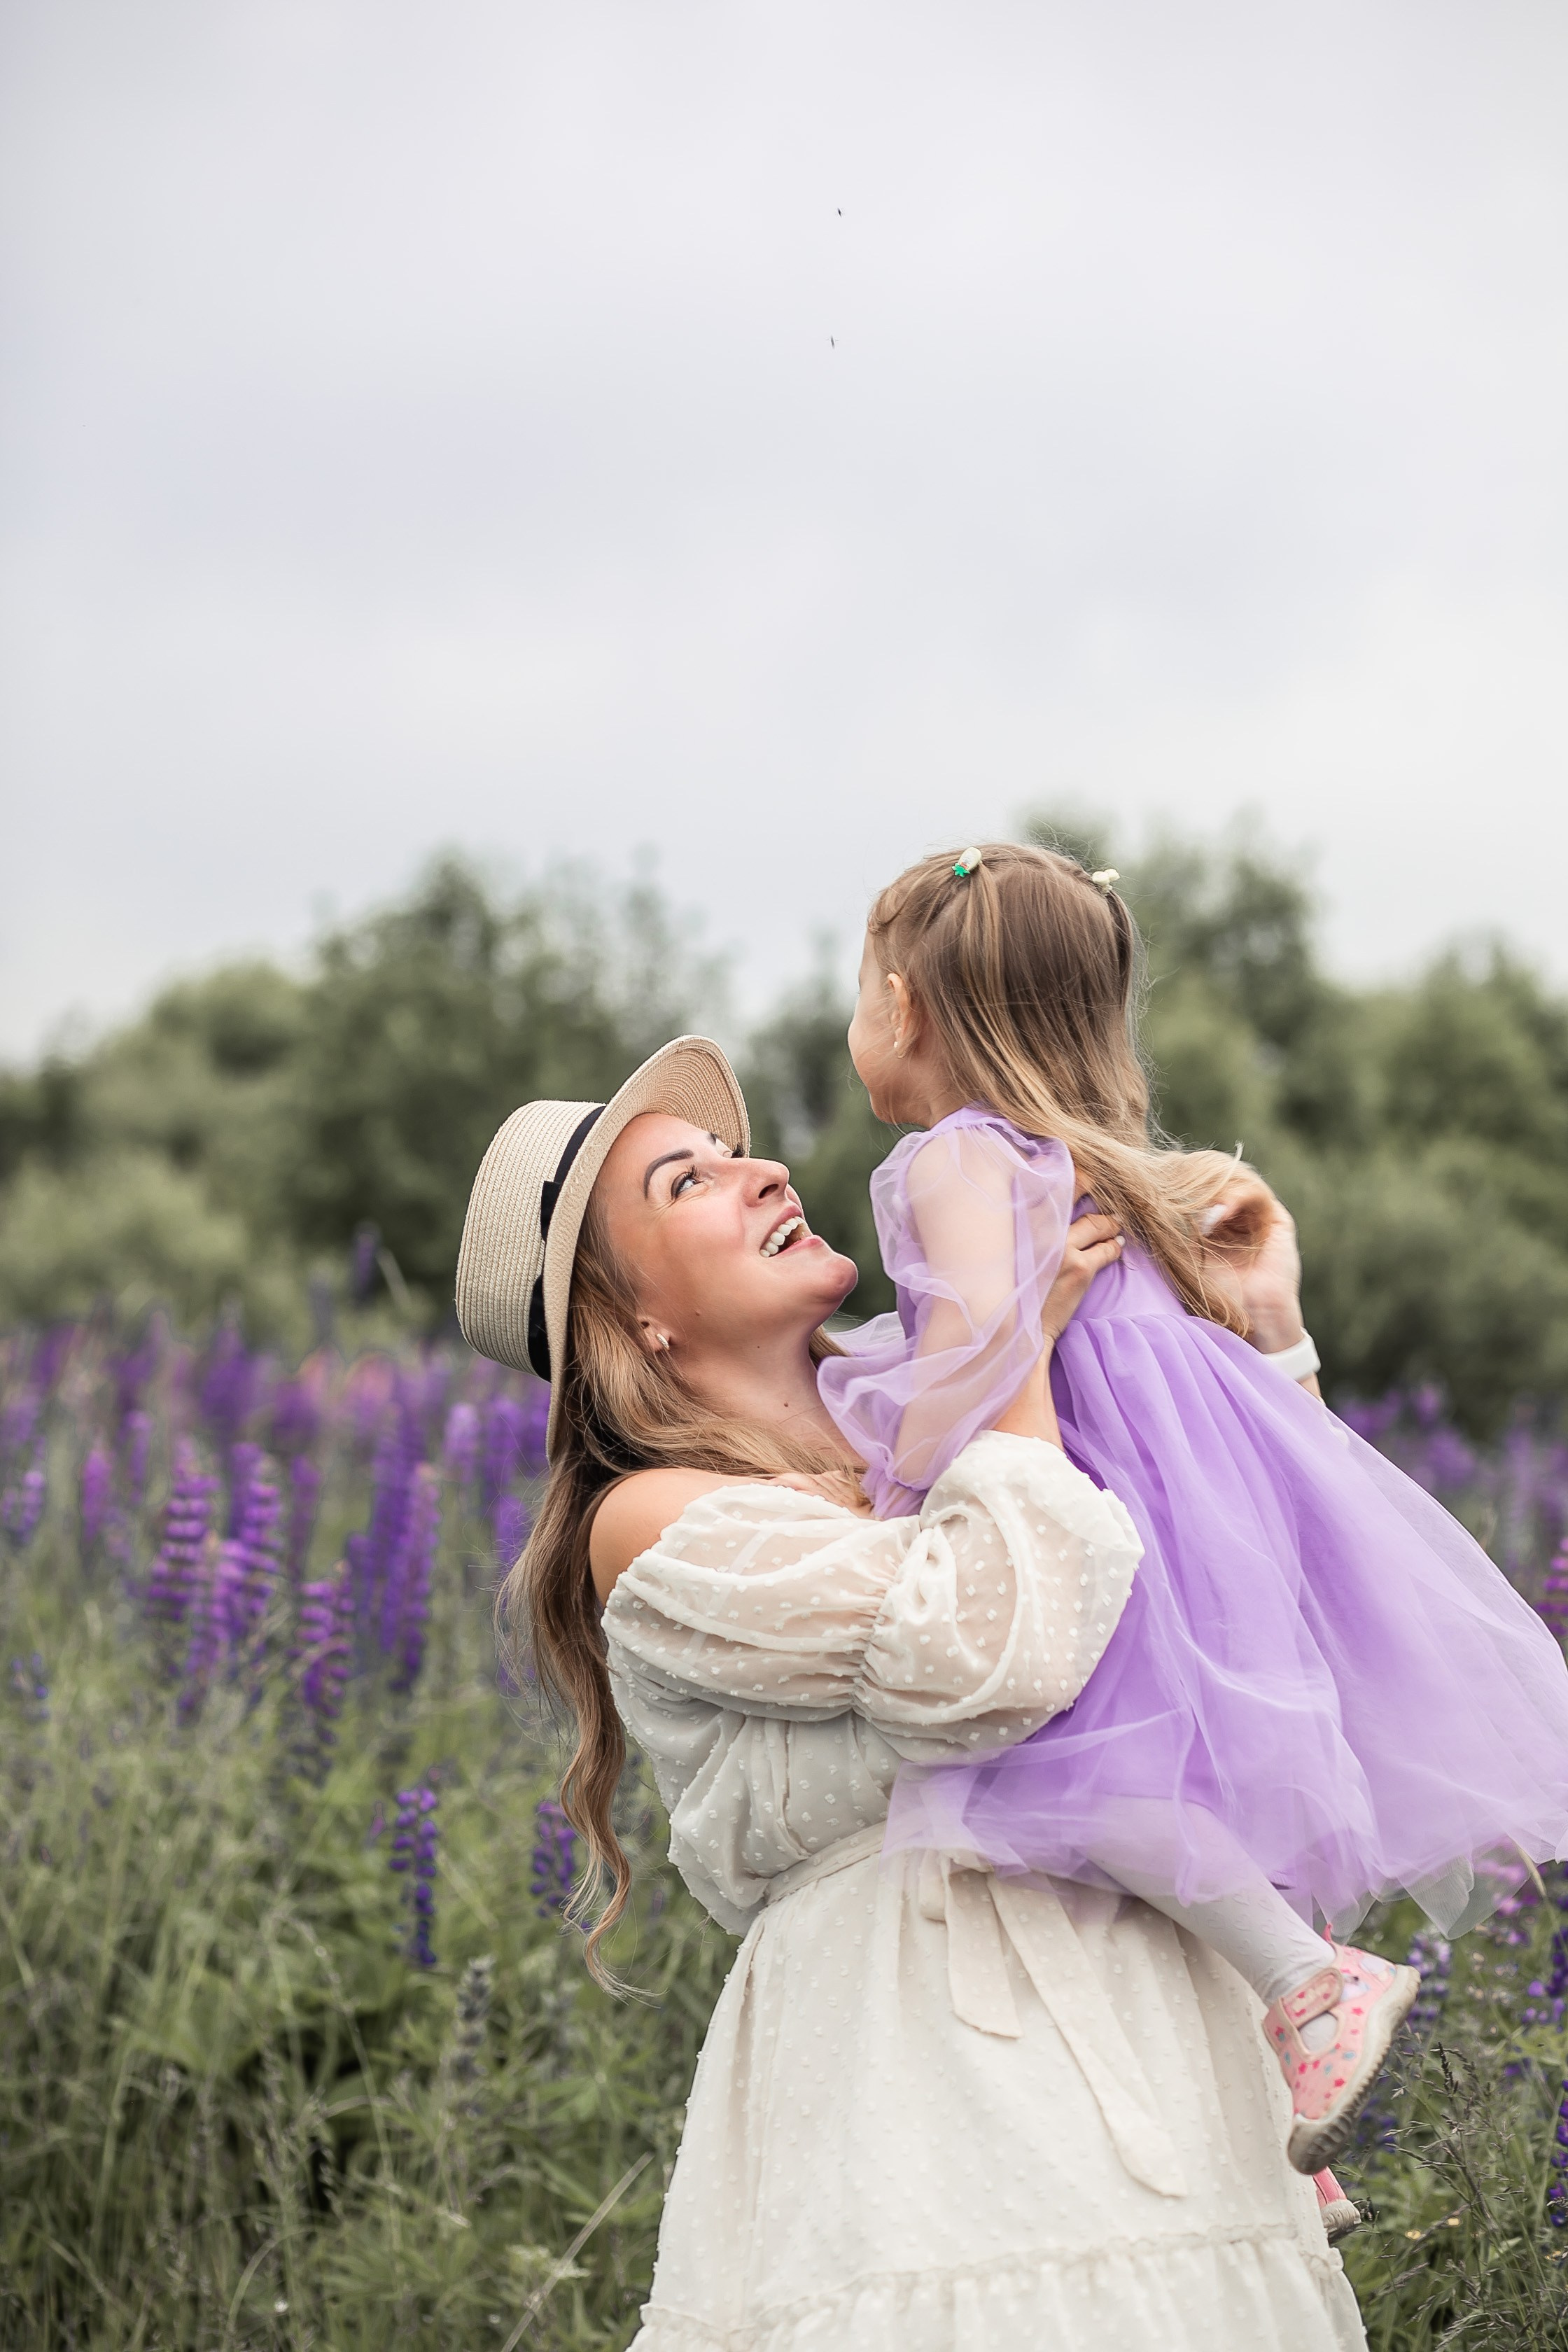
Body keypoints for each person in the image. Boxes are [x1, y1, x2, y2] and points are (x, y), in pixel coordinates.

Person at [456, 1036, 1367, 2351]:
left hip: (1164, 2026)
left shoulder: (928, 1402)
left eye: (735, 1152)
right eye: (687, 1181)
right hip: (921, 2069)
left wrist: (1264, 1329)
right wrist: (1010, 1353)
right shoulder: (653, 1520)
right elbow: (989, 1654)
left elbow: (1251, 1608)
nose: (766, 1171)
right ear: (630, 1314)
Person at [816, 840, 1568, 2177]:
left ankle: (1313, 1987)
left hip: (1102, 1530)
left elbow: (967, 1393)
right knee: (1186, 1791)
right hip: (1207, 1532)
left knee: (1081, 1786)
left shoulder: (957, 1161)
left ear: (903, 1003)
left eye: (857, 993)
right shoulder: (1111, 1175)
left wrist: (893, 1458)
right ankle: (1288, 2105)